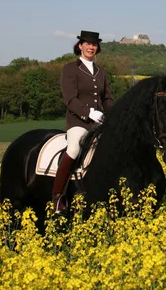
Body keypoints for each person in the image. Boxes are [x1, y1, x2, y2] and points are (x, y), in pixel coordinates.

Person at [52, 30, 114, 213]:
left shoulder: (101, 72)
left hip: (99, 122)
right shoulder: (70, 69)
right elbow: (70, 99)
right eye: (87, 44)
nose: (91, 47)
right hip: (78, 122)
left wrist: (115, 112)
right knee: (74, 149)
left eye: (94, 45)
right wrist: (89, 113)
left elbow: (107, 99)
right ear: (80, 46)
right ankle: (57, 196)